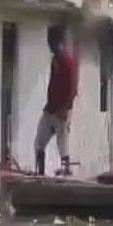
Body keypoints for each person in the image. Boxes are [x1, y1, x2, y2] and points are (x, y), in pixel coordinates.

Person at [35, 26, 78, 176]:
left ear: (57, 42)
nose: (49, 46)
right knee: (40, 141)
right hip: (51, 108)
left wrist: (65, 109)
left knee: (62, 140)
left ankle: (66, 169)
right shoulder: (56, 59)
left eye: (51, 42)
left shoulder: (67, 61)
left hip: (61, 109)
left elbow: (72, 88)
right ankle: (39, 172)